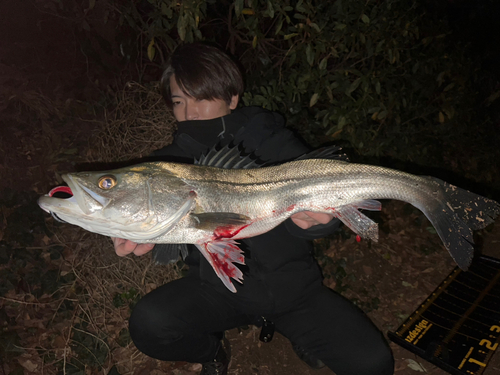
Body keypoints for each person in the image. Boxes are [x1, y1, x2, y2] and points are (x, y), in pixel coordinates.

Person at [112, 43, 394, 375]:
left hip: (293, 291)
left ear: (232, 97)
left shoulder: (275, 142)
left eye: (201, 98)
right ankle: (212, 352)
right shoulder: (166, 166)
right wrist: (138, 228)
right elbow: (159, 220)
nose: (189, 113)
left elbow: (322, 213)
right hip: (220, 290)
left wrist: (317, 223)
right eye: (178, 101)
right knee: (150, 323)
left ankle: (301, 335)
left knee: (374, 364)